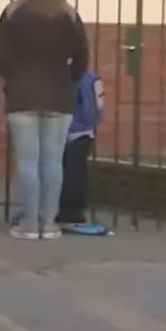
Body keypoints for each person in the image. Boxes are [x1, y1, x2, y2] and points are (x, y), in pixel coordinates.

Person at [0, 0, 89, 241]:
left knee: (27, 161)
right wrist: (69, 79)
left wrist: (14, 77)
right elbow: (82, 58)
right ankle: (50, 223)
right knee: (53, 161)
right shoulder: (69, 15)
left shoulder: (13, 12)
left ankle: (29, 223)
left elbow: (0, 56)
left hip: (22, 94)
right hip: (60, 95)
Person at [58, 71, 103, 225]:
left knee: (61, 171)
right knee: (76, 172)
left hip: (59, 130)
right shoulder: (92, 79)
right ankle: (72, 211)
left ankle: (57, 209)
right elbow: (97, 107)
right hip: (82, 132)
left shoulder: (56, 76)